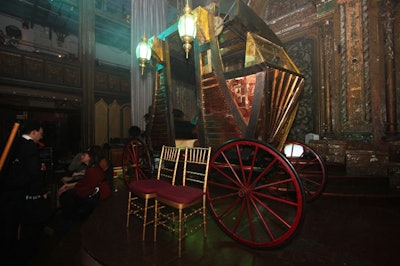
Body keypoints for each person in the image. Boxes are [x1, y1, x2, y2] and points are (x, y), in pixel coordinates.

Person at [0, 120, 51, 265]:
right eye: (40, 133)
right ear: (34, 132)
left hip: (6, 192)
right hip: (20, 194)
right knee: (25, 226)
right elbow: (33, 174)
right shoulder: (30, 147)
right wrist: (41, 192)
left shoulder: (13, 143)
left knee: (7, 227)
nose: (41, 137)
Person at [57, 145, 111, 223]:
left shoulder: (93, 169)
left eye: (84, 155)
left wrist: (68, 187)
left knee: (67, 195)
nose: (81, 156)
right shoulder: (91, 167)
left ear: (90, 157)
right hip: (94, 191)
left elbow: (86, 185)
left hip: (97, 194)